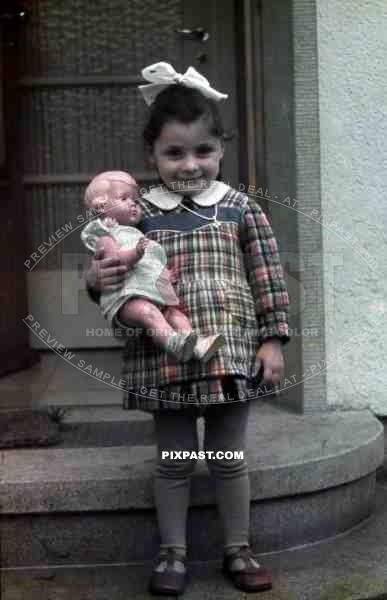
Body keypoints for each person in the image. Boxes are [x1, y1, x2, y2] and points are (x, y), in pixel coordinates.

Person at [86, 62, 290, 595]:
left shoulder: (241, 209)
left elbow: (268, 278)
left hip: (229, 355)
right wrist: (95, 275)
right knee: (175, 461)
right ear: (151, 155)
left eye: (203, 151)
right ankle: (173, 552)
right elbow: (112, 282)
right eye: (174, 153)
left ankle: (238, 549)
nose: (190, 164)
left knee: (226, 458)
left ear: (221, 149)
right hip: (166, 360)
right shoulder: (138, 218)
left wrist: (272, 339)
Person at [81, 170, 225, 363]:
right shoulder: (105, 235)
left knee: (177, 314)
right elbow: (115, 260)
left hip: (154, 289)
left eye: (135, 200)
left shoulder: (134, 233)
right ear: (101, 206)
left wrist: (164, 274)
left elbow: (151, 263)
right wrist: (135, 254)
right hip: (129, 296)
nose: (133, 203)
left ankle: (197, 343)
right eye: (124, 198)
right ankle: (172, 343)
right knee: (150, 314)